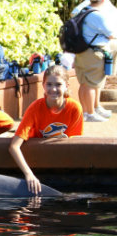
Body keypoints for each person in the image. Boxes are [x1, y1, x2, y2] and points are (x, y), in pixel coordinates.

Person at [9, 65, 83, 194]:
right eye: (49, 84)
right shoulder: (34, 108)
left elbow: (73, 143)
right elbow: (14, 146)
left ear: (66, 85)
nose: (53, 89)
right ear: (43, 85)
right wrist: (29, 174)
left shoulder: (74, 108)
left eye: (58, 85)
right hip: (35, 158)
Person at [74, 0, 117, 122]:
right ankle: (91, 113)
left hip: (81, 51)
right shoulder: (97, 15)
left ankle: (85, 112)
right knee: (92, 84)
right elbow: (111, 34)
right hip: (93, 53)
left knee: (84, 84)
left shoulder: (83, 11)